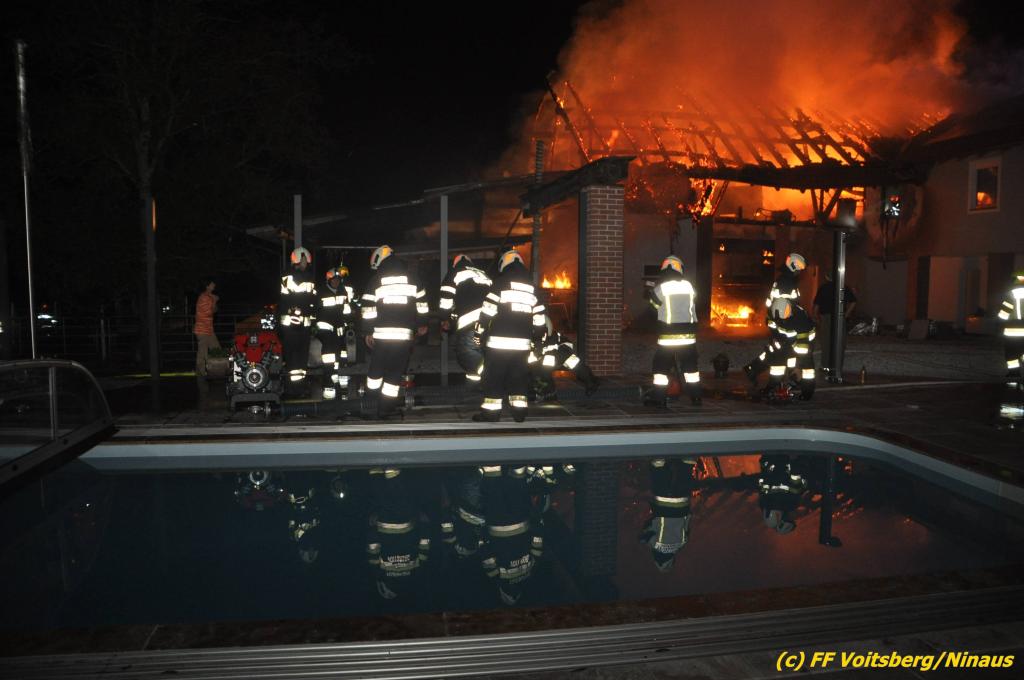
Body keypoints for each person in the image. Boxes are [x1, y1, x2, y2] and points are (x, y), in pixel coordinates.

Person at [473, 250, 546, 423]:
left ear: (504, 265)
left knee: (494, 378)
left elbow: (487, 312)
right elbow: (540, 320)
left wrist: (478, 333)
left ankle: (491, 414)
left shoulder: (500, 284)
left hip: (498, 345)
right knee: (518, 378)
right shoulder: (533, 289)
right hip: (522, 346)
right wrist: (538, 341)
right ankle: (519, 413)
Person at [360, 245, 429, 419]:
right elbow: (422, 305)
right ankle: (385, 409)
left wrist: (367, 332)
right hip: (404, 336)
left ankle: (370, 406)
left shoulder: (376, 280)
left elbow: (367, 309)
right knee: (394, 373)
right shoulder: (413, 278)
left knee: (376, 371)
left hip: (381, 335)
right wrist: (422, 324)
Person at [644, 255, 702, 407]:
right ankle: (696, 397)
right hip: (688, 336)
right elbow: (693, 302)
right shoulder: (689, 287)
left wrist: (650, 292)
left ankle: (659, 399)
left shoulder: (661, 288)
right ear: (680, 269)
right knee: (691, 369)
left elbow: (653, 307)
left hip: (668, 336)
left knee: (660, 368)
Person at [744, 252, 806, 385]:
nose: (800, 271)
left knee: (780, 349)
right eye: (799, 268)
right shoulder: (786, 282)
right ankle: (757, 371)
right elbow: (782, 307)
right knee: (781, 350)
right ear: (793, 266)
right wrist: (784, 322)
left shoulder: (785, 280)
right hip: (781, 322)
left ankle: (755, 369)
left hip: (779, 321)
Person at [438, 254, 492, 385]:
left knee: (468, 355)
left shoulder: (455, 272)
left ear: (454, 264)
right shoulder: (483, 274)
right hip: (490, 321)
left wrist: (445, 318)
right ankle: (484, 385)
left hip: (470, 322)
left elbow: (446, 298)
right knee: (486, 353)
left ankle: (484, 383)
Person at [640, 457, 697, 572]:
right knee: (660, 484)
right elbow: (647, 532)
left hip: (682, 505)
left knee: (682, 482)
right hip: (663, 506)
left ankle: (688, 463)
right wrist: (644, 536)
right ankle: (659, 464)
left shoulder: (681, 545)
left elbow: (686, 527)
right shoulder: (656, 545)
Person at [530, 316, 599, 401]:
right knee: (539, 367)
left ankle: (591, 382)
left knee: (573, 362)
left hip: (560, 358)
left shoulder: (555, 336)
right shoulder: (531, 340)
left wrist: (560, 353)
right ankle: (548, 392)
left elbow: (567, 344)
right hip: (542, 364)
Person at [279, 247, 317, 394]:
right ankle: (292, 388)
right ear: (300, 259)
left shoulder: (308, 277)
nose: (306, 263)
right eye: (305, 260)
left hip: (304, 327)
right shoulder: (289, 277)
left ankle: (300, 386)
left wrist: (312, 319)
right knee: (293, 358)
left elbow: (312, 300)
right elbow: (287, 300)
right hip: (292, 326)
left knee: (302, 358)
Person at [762, 298, 817, 400]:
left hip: (804, 340)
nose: (782, 321)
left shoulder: (800, 318)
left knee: (807, 370)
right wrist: (776, 339)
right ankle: (773, 386)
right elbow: (772, 327)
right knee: (778, 364)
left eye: (784, 319)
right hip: (786, 340)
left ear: (790, 311)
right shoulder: (771, 313)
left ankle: (807, 393)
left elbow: (802, 345)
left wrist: (799, 365)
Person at [316, 264, 356, 400]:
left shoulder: (342, 292)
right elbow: (316, 310)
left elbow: (346, 309)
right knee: (329, 353)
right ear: (328, 280)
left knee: (339, 352)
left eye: (338, 280)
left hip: (339, 328)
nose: (336, 282)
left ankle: (336, 375)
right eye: (334, 279)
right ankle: (328, 377)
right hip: (325, 327)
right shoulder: (321, 292)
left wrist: (349, 321)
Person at [813, 275, 857, 383]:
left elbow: (816, 306)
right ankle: (837, 367)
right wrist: (846, 315)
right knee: (839, 342)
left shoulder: (823, 288)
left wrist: (816, 318)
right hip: (839, 317)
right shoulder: (843, 287)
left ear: (827, 277)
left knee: (826, 342)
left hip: (826, 317)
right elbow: (853, 302)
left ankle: (825, 366)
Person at [997, 269, 1024, 384]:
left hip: (1012, 331)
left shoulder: (1011, 294)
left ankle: (1014, 373)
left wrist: (999, 322)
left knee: (1012, 353)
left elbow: (1004, 313)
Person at [194, 279, 220, 381]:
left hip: (209, 329)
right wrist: (214, 301)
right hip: (202, 329)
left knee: (216, 349)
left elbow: (215, 310)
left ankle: (215, 370)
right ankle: (201, 373)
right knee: (202, 352)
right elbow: (209, 312)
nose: (214, 285)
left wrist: (213, 301)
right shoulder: (204, 297)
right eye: (212, 284)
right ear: (207, 286)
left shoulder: (209, 296)